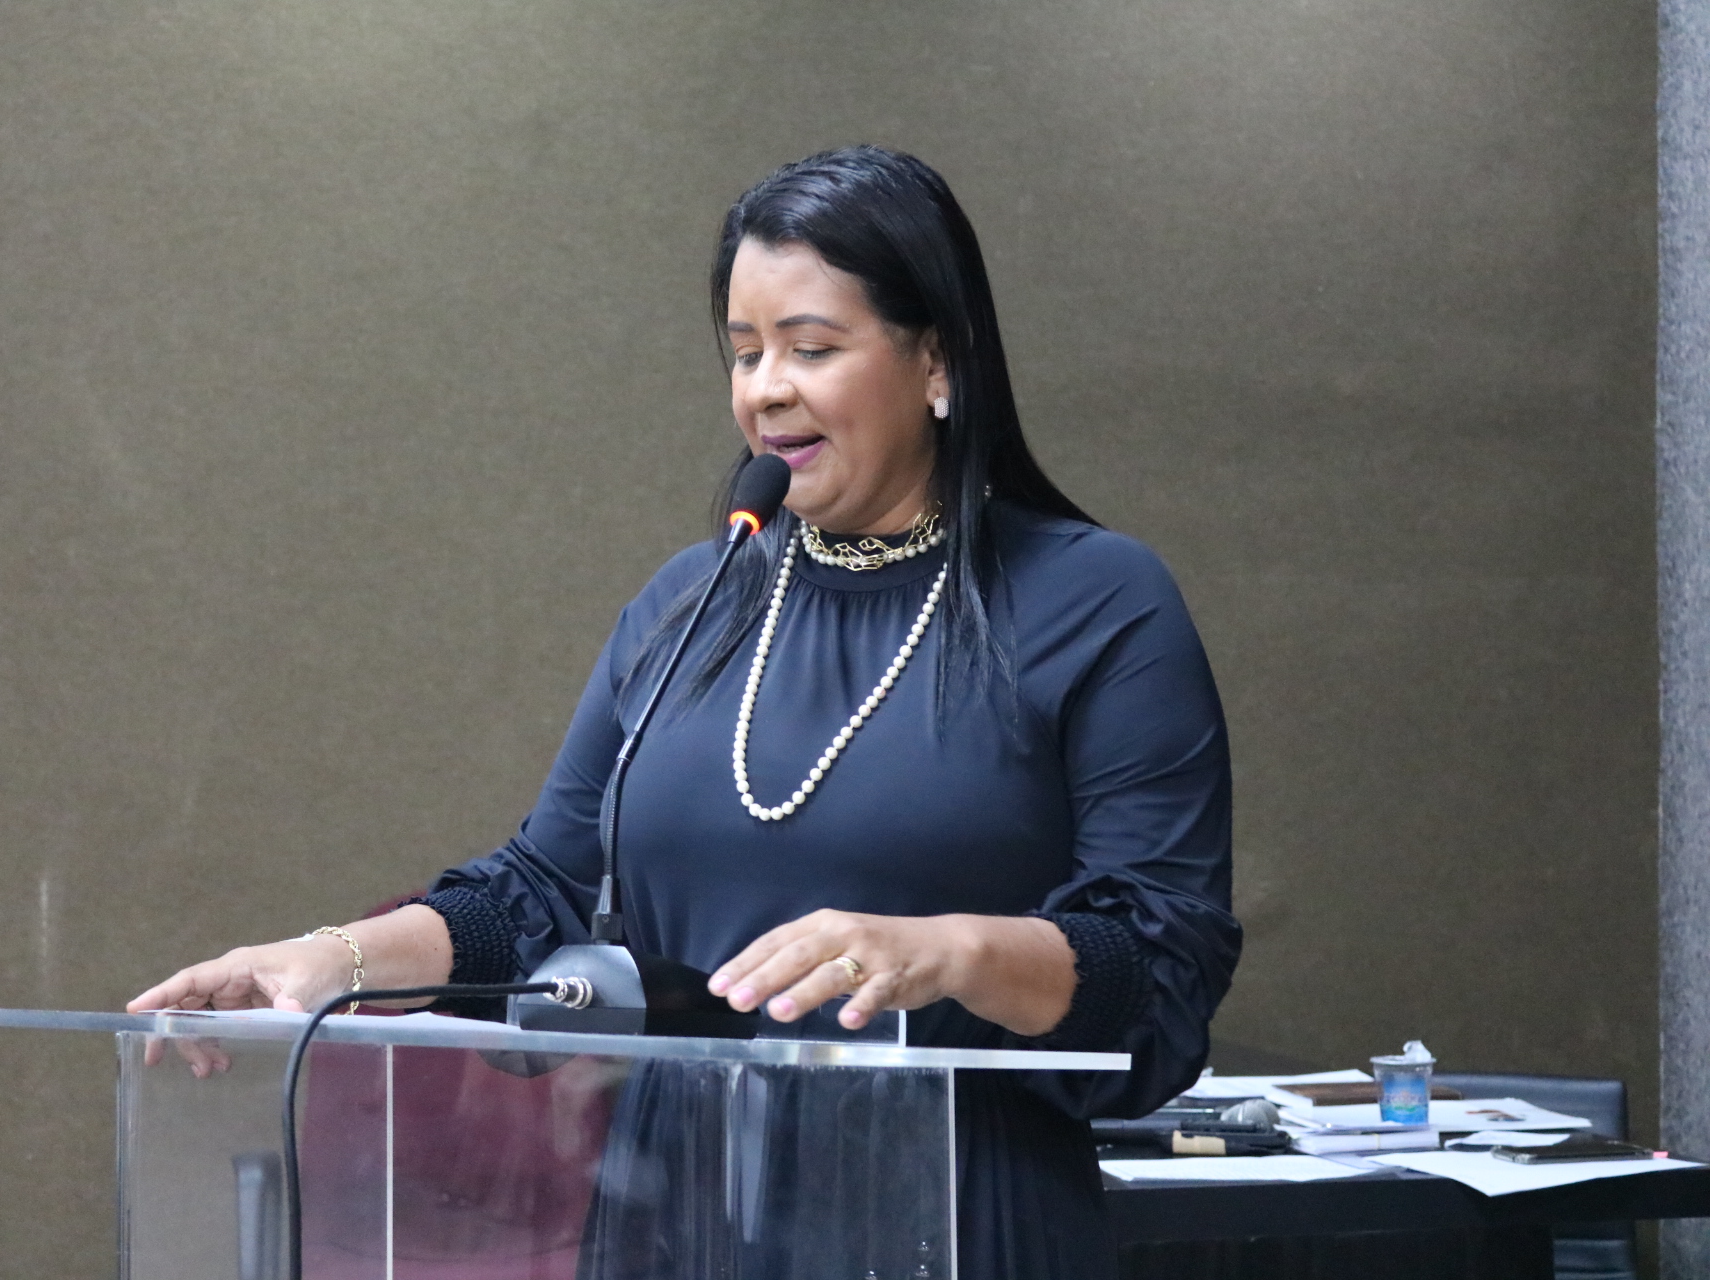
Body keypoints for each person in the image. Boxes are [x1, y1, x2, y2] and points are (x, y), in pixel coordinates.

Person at [130, 145, 1240, 1279]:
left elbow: (1159, 969)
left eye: (811, 348)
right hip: (678, 1219)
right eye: (746, 352)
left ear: (937, 360)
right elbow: (536, 893)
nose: (765, 390)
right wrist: (330, 962)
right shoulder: (691, 603)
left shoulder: (1093, 601)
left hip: (956, 1212)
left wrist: (946, 952)